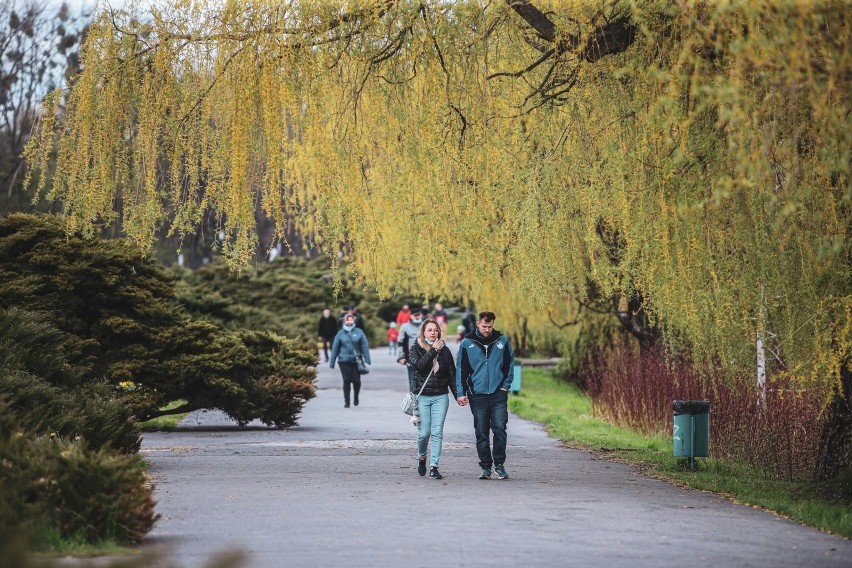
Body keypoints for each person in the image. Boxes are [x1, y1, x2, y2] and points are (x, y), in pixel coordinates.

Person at [455, 311, 514, 480]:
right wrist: (461, 393)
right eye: (484, 326)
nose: (487, 329)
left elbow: (509, 365)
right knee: (481, 432)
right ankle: (486, 467)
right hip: (477, 395)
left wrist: (505, 387)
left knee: (500, 429)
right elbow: (461, 369)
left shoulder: (502, 341)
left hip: (498, 394)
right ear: (478, 324)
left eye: (490, 326)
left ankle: (500, 465)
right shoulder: (467, 343)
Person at [408, 319, 457, 479]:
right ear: (423, 332)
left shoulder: (446, 351)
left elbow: (451, 374)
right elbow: (419, 366)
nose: (433, 333)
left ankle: (434, 466)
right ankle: (422, 456)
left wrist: (458, 395)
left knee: (437, 432)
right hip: (422, 397)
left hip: (440, 396)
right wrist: (433, 351)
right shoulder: (415, 348)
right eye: (429, 330)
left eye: (435, 330)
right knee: (424, 433)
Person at [329, 313, 371, 408]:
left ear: (353, 321)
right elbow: (335, 348)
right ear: (344, 321)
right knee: (346, 380)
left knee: (356, 381)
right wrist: (332, 362)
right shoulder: (340, 334)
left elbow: (364, 345)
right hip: (343, 360)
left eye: (351, 320)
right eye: (347, 320)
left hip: (356, 360)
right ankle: (347, 402)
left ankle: (356, 397)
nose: (349, 322)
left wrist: (367, 359)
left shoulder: (359, 332)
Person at [397, 307, 425, 387]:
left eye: (418, 315)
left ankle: (424, 399)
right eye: (415, 315)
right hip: (411, 358)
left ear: (421, 315)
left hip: (426, 357)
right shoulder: (405, 327)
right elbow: (400, 342)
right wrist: (401, 356)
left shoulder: (426, 325)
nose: (417, 317)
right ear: (411, 316)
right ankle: (413, 399)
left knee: (425, 380)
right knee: (413, 380)